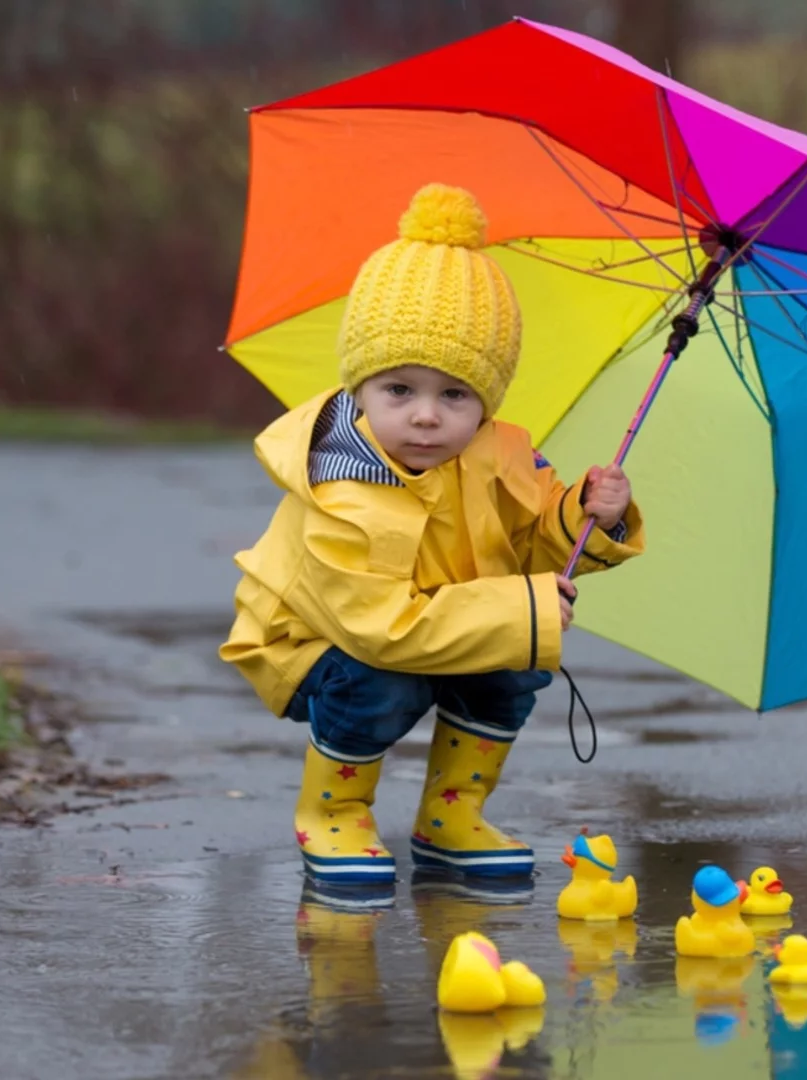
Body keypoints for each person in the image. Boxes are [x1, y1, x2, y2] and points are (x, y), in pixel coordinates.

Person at [220, 183, 644, 885]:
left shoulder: (497, 454)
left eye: (455, 395)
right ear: (360, 388)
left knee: (516, 656)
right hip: (323, 647)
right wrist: (522, 609)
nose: (426, 417)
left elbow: (532, 543)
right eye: (400, 391)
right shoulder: (341, 487)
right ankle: (336, 810)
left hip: (436, 621)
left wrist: (588, 515)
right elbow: (378, 629)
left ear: (487, 400)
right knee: (390, 676)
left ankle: (452, 814)